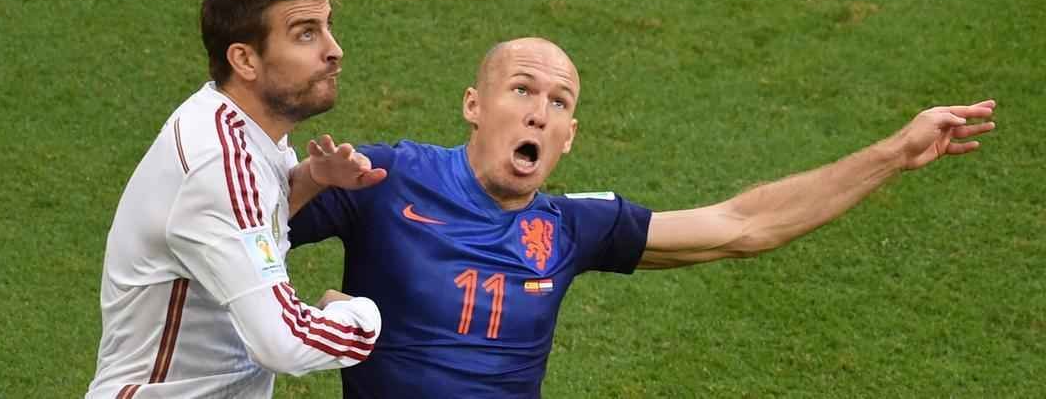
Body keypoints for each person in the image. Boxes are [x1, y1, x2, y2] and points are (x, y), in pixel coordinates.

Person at [289, 36, 997, 398]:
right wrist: (320, 317)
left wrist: (893, 155)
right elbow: (230, 232)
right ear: (475, 105)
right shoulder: (386, 177)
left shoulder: (572, 229)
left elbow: (741, 225)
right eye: (522, 89)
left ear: (569, 137)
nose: (540, 109)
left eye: (559, 102)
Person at [86, 0, 387, 399]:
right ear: (245, 60)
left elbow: (244, 221)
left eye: (327, 27)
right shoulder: (219, 165)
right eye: (306, 35)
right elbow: (282, 342)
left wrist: (309, 179)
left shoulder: (238, 126)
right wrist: (361, 319)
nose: (334, 49)